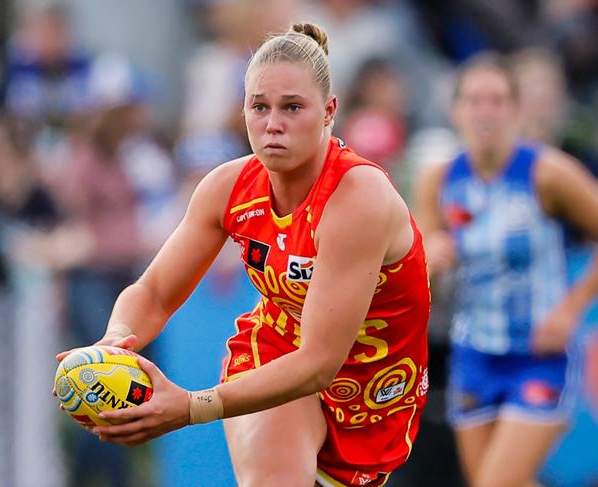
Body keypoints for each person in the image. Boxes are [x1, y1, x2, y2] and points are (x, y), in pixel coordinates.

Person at [57, 23, 430, 487]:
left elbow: (319, 362)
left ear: (329, 111)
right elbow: (152, 293)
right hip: (274, 359)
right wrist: (116, 340)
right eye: (260, 106)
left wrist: (192, 407)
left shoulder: (358, 198)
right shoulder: (226, 187)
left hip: (374, 393)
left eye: (292, 107)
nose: (273, 123)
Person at [413, 53, 598, 487]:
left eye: (496, 100)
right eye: (474, 100)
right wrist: (432, 258)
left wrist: (569, 311)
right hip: (475, 352)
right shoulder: (438, 180)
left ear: (515, 109)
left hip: (539, 354)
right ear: (455, 110)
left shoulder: (547, 173)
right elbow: (422, 278)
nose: (485, 111)